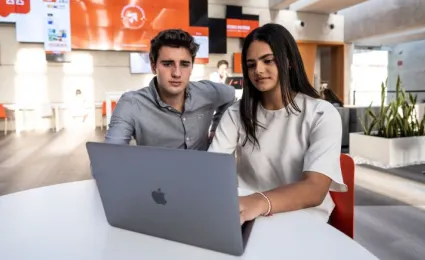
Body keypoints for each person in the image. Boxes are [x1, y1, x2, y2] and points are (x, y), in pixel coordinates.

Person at [208, 23, 346, 224]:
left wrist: (259, 202)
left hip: (302, 218)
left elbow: (314, 189)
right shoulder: (236, 113)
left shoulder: (321, 113)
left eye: (268, 61)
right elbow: (213, 168)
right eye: (251, 64)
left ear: (288, 61)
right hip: (248, 215)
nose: (259, 70)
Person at [105, 29, 235, 150]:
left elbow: (230, 94)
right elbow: (110, 158)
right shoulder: (132, 104)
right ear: (153, 65)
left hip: (205, 172)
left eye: (184, 64)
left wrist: (216, 130)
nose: (177, 73)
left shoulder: (206, 92)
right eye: (167, 64)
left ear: (192, 66)